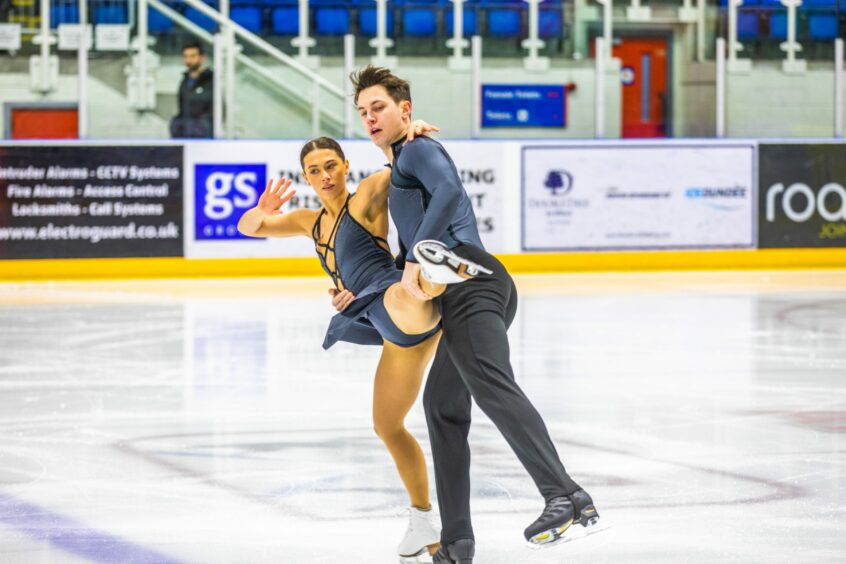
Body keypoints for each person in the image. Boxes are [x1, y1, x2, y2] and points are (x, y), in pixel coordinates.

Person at [350, 65, 602, 564]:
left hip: (472, 279)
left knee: (489, 382)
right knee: (443, 408)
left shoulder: (418, 149)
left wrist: (419, 254)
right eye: (362, 112)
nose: (369, 117)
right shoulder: (402, 161)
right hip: (459, 289)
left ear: (406, 110)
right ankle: (457, 544)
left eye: (378, 107)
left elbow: (449, 194)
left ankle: (564, 495)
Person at [237, 133, 487, 561]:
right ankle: (423, 521)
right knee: (387, 425)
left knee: (405, 296)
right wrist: (260, 210)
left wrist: (413, 132)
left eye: (331, 165)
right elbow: (249, 228)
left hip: (395, 297)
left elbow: (410, 166)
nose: (325, 176)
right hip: (387, 325)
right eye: (314, 171)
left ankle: (433, 273)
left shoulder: (366, 196)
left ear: (345, 165)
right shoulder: (308, 222)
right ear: (305, 177)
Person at [170, 41, 214, 139]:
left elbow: (215, 109)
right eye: (186, 56)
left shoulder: (211, 81)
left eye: (193, 56)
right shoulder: (184, 81)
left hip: (204, 136)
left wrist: (203, 125)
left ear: (202, 58)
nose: (188, 60)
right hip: (185, 134)